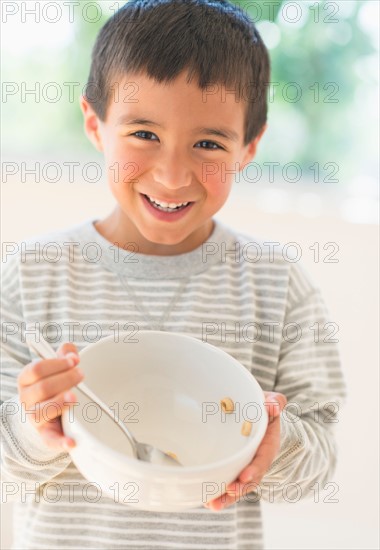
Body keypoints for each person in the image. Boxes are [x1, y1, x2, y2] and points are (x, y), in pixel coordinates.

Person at [0, 0, 347, 548]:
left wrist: (275, 445)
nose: (171, 174)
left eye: (208, 144)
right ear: (95, 124)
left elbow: (320, 460)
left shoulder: (279, 287)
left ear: (249, 148)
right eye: (143, 134)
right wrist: (33, 427)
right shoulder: (33, 273)